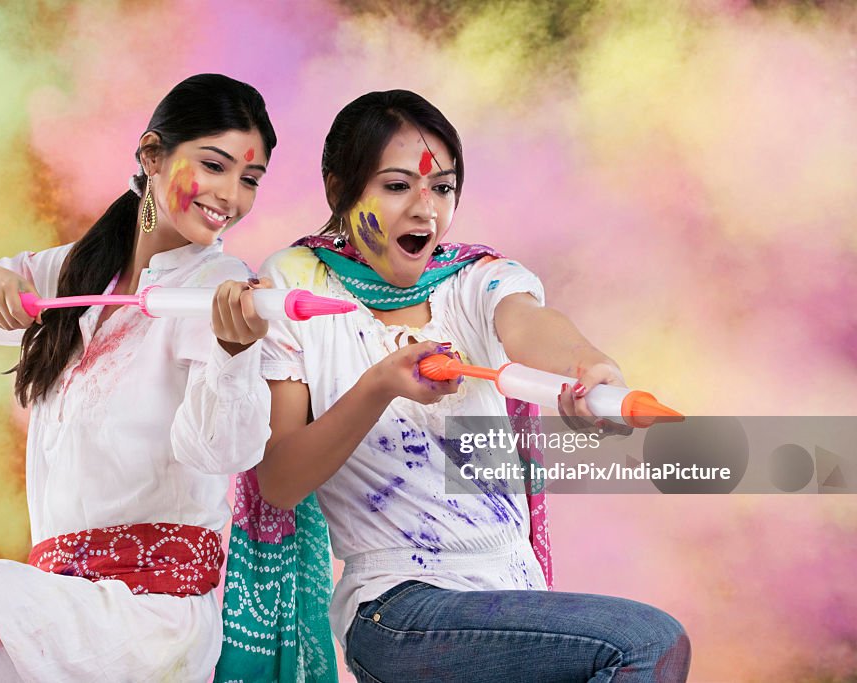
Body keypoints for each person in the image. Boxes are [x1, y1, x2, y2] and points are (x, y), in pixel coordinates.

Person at [0, 73, 276, 683]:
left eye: (249, 179)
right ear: (151, 154)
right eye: (214, 165)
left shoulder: (216, 286)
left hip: (147, 621)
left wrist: (233, 352)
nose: (231, 195)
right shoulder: (70, 273)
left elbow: (223, 452)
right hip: (57, 606)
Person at [250, 90, 691, 682]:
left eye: (443, 187)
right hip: (398, 607)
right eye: (398, 185)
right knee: (646, 642)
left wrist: (587, 364)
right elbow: (278, 482)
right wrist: (379, 385)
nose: (425, 210)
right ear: (339, 187)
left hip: (514, 596)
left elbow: (528, 323)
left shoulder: (472, 278)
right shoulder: (294, 288)